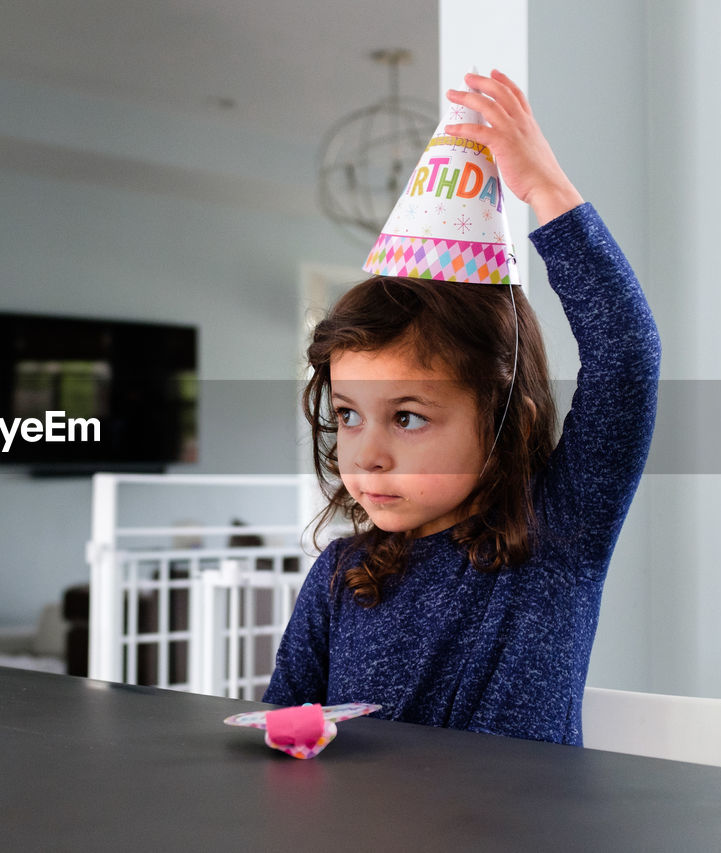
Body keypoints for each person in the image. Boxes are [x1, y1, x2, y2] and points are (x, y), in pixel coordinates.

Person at [263, 70, 660, 745]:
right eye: (350, 415)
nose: (367, 453)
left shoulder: (557, 532)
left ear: (511, 421)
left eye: (408, 416)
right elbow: (285, 726)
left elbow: (627, 356)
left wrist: (547, 192)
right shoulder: (339, 576)